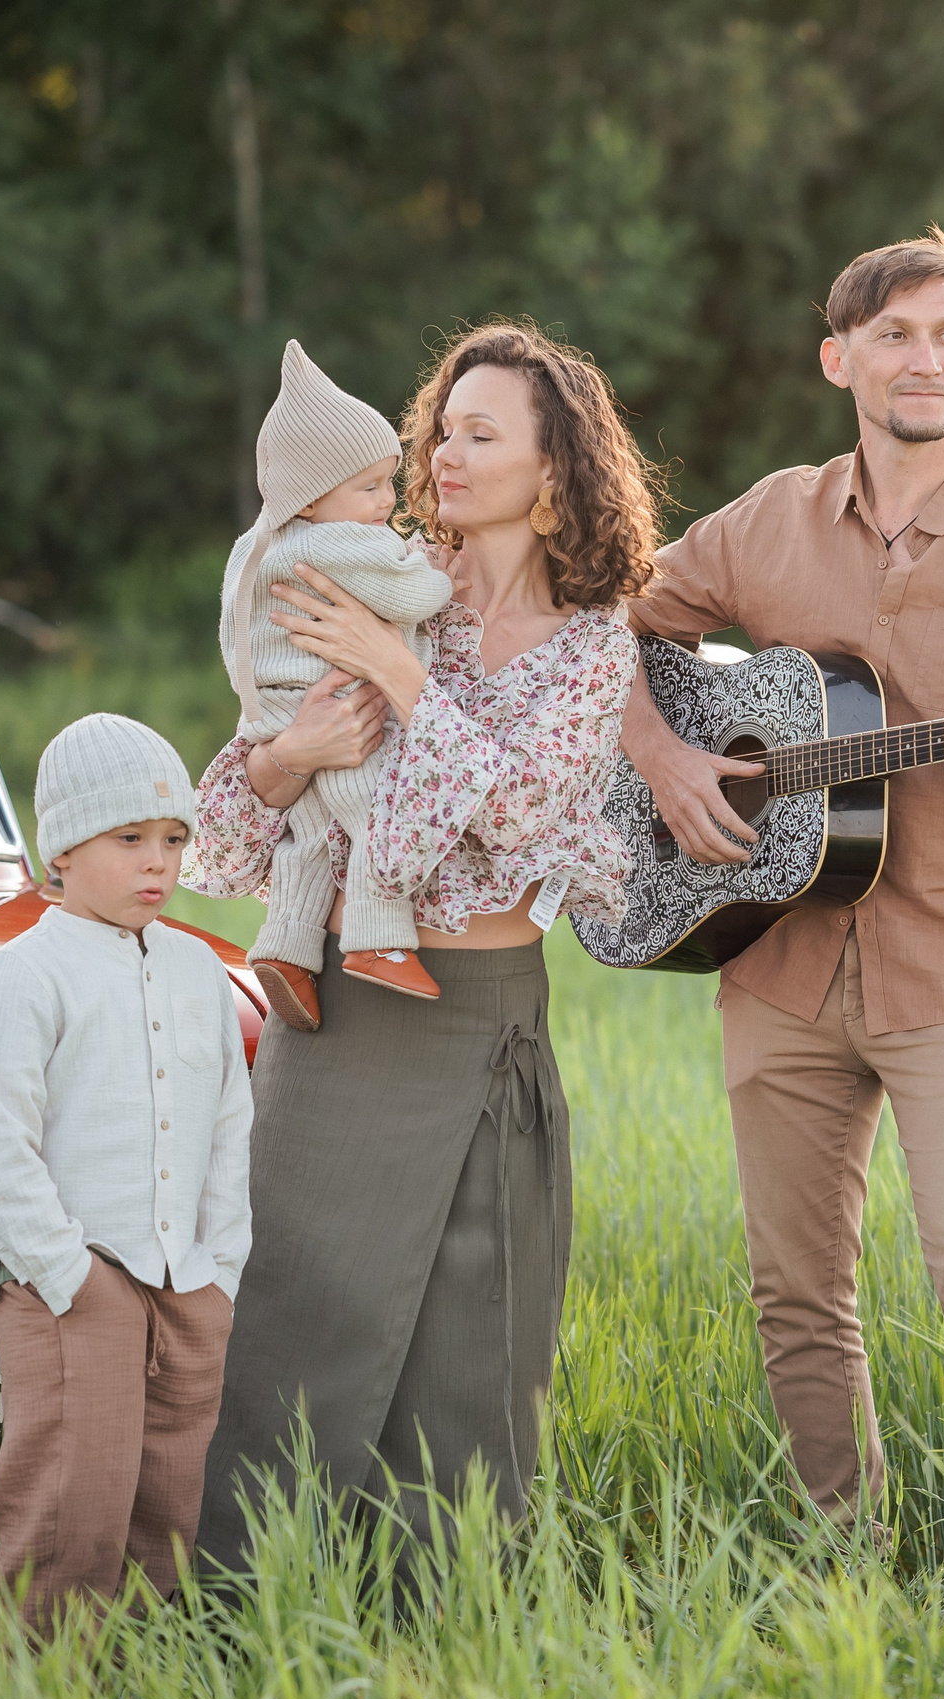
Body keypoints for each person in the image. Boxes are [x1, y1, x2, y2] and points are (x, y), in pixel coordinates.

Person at [621, 228, 944, 1520]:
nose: (923, 358)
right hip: (773, 956)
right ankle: (845, 1547)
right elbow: (613, 628)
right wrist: (666, 758)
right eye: (893, 334)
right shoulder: (768, 518)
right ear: (839, 357)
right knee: (794, 1290)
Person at [188, 322, 648, 1565]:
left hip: (475, 1011)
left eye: (479, 433)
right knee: (286, 1327)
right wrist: (290, 759)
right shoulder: (367, 579)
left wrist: (402, 678)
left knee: (465, 1351)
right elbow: (225, 831)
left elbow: (519, 814)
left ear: (553, 472)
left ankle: (439, 1627)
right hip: (329, 1007)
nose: (443, 451)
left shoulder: (593, 648)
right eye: (441, 427)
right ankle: (248, 1609)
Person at [0, 712, 251, 1626]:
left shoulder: (199, 969)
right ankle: (42, 1669)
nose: (156, 863)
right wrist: (66, 1273)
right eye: (129, 839)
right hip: (72, 1288)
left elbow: (230, 1126)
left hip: (186, 1281)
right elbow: (0, 1138)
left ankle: (138, 1658)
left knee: (167, 1498)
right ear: (64, 849)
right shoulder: (28, 973)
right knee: (68, 1500)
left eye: (172, 839)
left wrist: (222, 1271)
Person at [219, 339, 457, 1016]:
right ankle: (378, 940)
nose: (388, 499)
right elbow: (409, 595)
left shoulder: (258, 546)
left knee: (311, 834)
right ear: (311, 496)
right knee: (374, 805)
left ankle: (285, 948)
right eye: (370, 485)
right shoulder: (338, 541)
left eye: (388, 480)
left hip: (281, 710)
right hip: (342, 702)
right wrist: (439, 570)